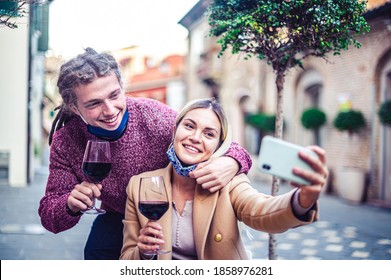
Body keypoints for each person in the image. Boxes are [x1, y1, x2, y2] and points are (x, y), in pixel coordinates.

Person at [38, 48, 252, 260]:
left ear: (122, 88)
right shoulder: (66, 141)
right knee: (96, 253)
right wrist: (69, 204)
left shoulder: (155, 116)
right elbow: (50, 217)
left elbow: (225, 145)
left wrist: (233, 162)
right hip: (117, 213)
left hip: (167, 210)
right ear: (75, 107)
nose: (110, 110)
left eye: (114, 95)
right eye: (94, 103)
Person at [120, 98, 329, 260]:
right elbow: (127, 259)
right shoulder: (140, 185)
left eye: (209, 134)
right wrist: (144, 252)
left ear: (218, 146)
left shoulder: (229, 182)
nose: (195, 137)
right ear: (175, 130)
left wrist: (303, 199)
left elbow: (262, 211)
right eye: (189, 126)